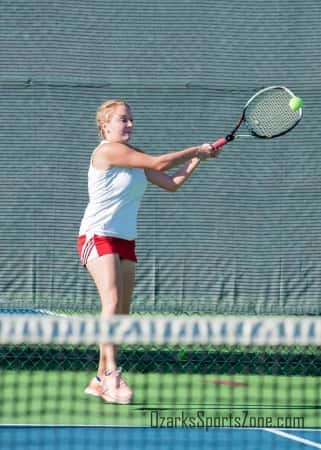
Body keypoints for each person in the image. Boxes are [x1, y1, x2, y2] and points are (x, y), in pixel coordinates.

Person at [77, 99, 221, 404]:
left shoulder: (135, 157)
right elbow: (158, 164)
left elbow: (171, 183)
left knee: (122, 313)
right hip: (97, 235)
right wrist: (196, 149)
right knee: (111, 299)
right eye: (122, 120)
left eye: (131, 120)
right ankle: (112, 376)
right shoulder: (106, 151)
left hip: (125, 239)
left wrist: (199, 161)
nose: (129, 125)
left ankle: (99, 378)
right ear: (105, 125)